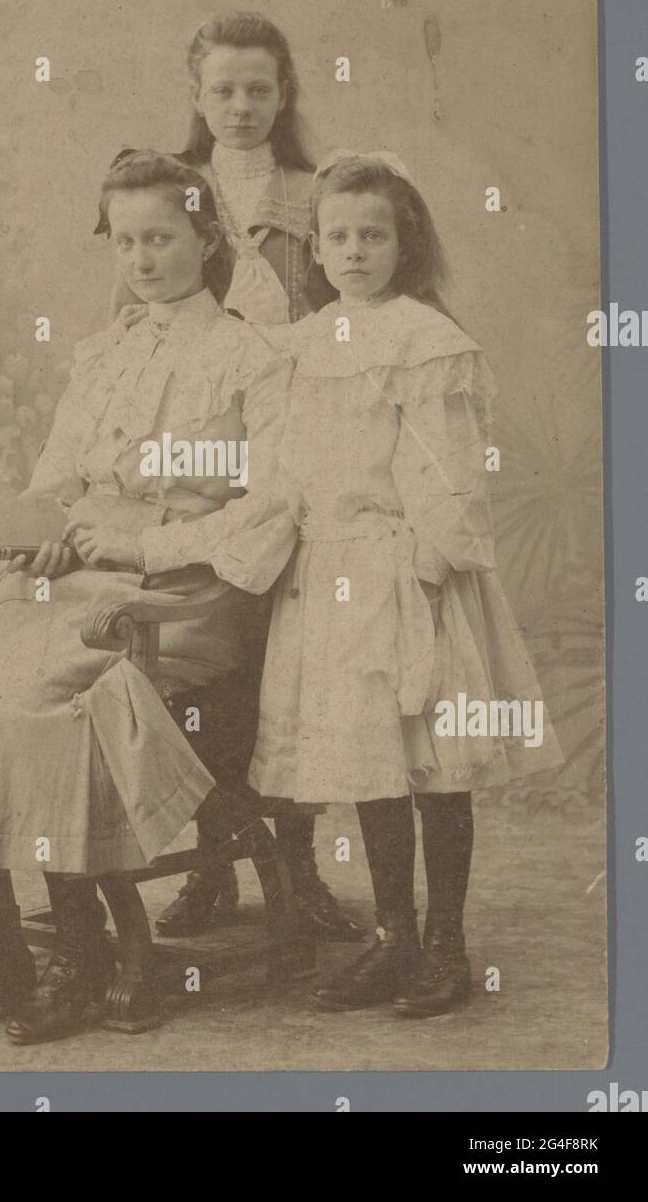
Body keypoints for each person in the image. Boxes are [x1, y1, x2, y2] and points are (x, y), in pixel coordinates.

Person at [0, 152, 298, 1044]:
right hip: (65, 584)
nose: (141, 259)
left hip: (177, 600)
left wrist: (141, 542)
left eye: (159, 237)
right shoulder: (104, 355)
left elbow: (268, 516)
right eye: (124, 242)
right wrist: (39, 529)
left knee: (36, 709)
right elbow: (55, 482)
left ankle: (83, 955)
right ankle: (3, 952)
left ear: (206, 238)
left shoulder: (253, 360)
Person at [248, 151, 565, 1017]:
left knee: (431, 766)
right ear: (314, 248)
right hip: (330, 577)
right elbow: (284, 470)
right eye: (338, 236)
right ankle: (394, 937)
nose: (353, 251)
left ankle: (445, 945)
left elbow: (450, 473)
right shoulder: (303, 347)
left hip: (409, 576)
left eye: (373, 235)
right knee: (369, 766)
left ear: (404, 243)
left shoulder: (427, 343)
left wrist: (424, 572)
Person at [109, 11, 358, 941]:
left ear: (284, 93)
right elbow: (132, 334)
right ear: (197, 96)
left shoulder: (315, 194)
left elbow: (354, 314)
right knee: (198, 677)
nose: (242, 106)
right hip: (197, 471)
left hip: (302, 453)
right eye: (224, 90)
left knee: (288, 677)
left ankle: (295, 871)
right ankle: (215, 865)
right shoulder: (165, 195)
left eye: (260, 88)